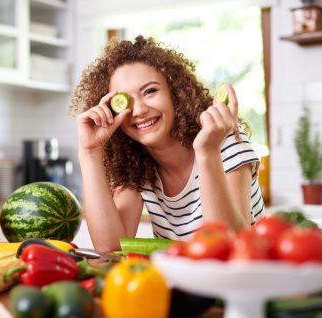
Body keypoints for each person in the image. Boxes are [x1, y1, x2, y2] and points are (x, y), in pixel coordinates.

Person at [69, 35, 265, 251]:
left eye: (150, 91)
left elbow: (230, 245)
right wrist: (90, 152)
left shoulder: (223, 142)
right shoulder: (137, 167)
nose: (140, 110)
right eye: (125, 101)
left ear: (175, 93)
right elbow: (110, 248)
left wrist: (207, 152)